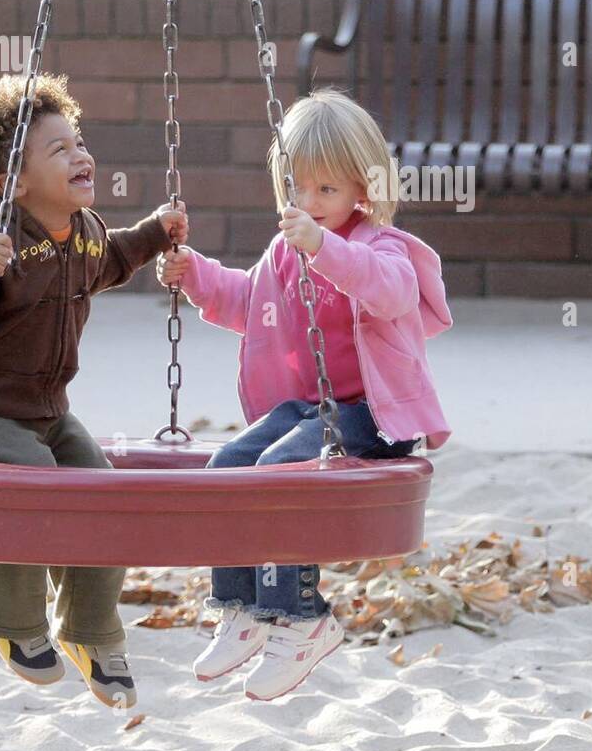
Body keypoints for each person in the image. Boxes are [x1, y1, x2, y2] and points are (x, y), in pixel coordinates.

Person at [157, 88, 452, 701]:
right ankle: (242, 608)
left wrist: (323, 248)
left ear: (362, 189)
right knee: (228, 465)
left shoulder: (381, 246)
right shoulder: (285, 251)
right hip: (309, 413)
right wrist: (195, 274)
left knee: (281, 469)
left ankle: (303, 617)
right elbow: (248, 302)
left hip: (373, 416)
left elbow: (391, 292)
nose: (309, 203)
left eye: (327, 189)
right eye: (297, 186)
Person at [0, 72, 187, 710]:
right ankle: (8, 617)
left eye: (80, 142)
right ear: (12, 181)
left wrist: (156, 232)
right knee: (32, 485)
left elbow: (111, 259)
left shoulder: (83, 230)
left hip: (45, 412)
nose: (80, 155)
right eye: (59, 149)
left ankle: (90, 630)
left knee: (100, 493)